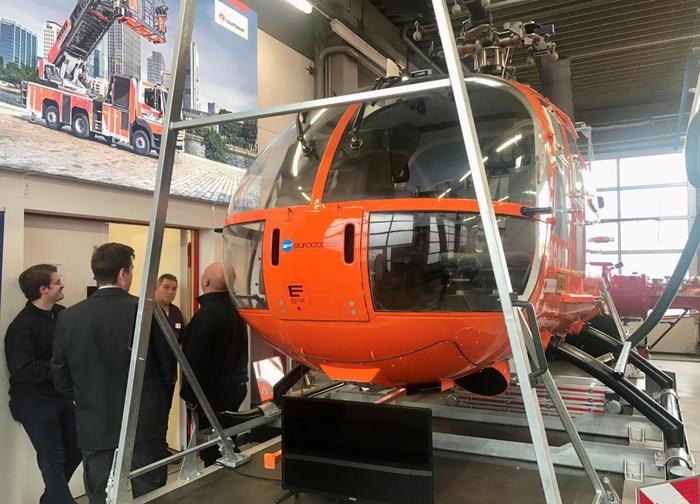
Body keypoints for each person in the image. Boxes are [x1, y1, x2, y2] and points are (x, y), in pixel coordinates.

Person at [51, 243, 168, 504]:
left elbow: (59, 374)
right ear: (123, 273)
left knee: (99, 495)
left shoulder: (69, 318)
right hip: (144, 423)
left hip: (94, 424)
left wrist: (88, 399)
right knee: (151, 494)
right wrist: (158, 406)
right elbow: (167, 368)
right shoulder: (146, 310)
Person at [5, 264, 82, 504]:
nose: (62, 285)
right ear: (43, 289)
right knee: (52, 458)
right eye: (58, 281)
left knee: (78, 448)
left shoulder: (62, 314)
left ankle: (49, 500)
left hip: (60, 396)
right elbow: (24, 370)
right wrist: (61, 367)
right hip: (33, 401)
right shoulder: (21, 327)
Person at [180, 262, 248, 466]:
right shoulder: (238, 311)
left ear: (205, 281)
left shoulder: (205, 317)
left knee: (212, 450)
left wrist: (190, 397)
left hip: (211, 396)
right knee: (227, 441)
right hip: (235, 389)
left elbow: (195, 363)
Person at [153, 273, 184, 413]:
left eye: (174, 288)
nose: (170, 292)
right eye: (166, 287)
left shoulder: (176, 312)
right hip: (152, 376)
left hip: (170, 375)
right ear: (156, 287)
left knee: (166, 411)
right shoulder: (148, 310)